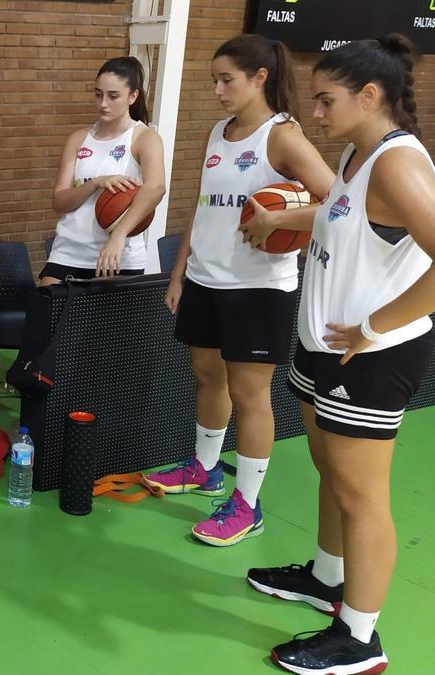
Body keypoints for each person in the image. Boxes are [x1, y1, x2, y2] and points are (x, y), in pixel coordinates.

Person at [240, 35, 435, 674]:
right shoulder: (357, 153)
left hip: (371, 355)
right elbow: (343, 220)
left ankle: (360, 638)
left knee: (362, 495)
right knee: (330, 468)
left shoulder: (397, 164)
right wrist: (280, 222)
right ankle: (327, 578)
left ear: (369, 95)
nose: (316, 113)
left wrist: (375, 325)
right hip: (325, 343)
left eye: (326, 100)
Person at [147, 34, 335, 546]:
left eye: (226, 80)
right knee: (206, 377)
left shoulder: (283, 135)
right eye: (214, 80)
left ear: (259, 78)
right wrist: (180, 272)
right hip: (205, 279)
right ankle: (205, 468)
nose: (217, 90)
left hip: (258, 288)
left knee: (250, 395)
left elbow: (337, 203)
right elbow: (203, 207)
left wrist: (281, 219)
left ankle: (248, 505)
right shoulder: (218, 131)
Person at [42, 56, 165, 284]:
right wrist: (95, 183)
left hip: (118, 257)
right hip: (68, 252)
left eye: (113, 96)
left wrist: (118, 236)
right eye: (98, 94)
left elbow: (156, 187)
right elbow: (59, 202)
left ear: (133, 96)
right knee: (46, 304)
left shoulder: (144, 138)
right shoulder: (78, 139)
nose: (103, 103)